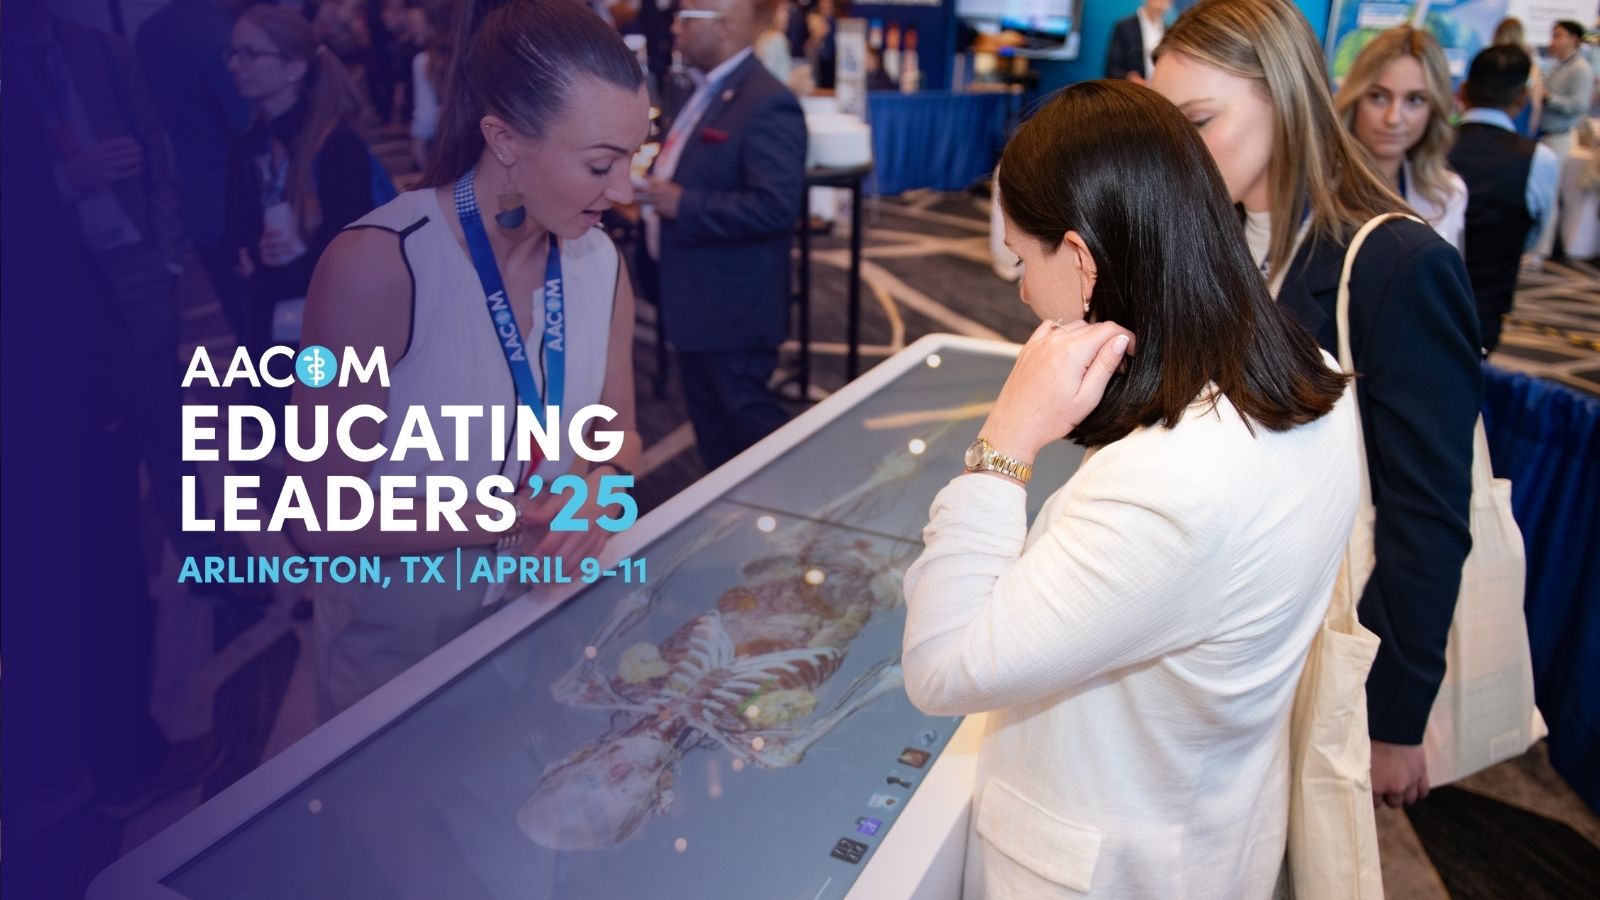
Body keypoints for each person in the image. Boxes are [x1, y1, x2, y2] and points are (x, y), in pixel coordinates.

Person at [902, 79, 1360, 899]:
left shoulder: (1170, 484)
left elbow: (942, 665)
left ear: (1081, 260)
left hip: (1110, 866)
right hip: (1212, 823)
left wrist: (1003, 441)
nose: (1018, 290)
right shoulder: (1310, 370)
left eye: (1021, 259)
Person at [1153, 0, 1482, 809]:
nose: (1178, 152)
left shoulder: (1395, 264)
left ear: (1285, 98)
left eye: (1198, 119)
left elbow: (1427, 513)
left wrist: (1392, 721)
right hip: (1231, 646)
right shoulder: (1218, 236)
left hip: (1329, 640)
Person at [294, 0, 648, 717]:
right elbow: (320, 513)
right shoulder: (375, 267)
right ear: (505, 139)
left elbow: (622, 437)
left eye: (633, 159)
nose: (626, 191)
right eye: (602, 164)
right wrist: (513, 513)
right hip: (396, 638)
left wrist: (598, 494)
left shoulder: (601, 262)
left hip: (545, 613)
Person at [641, 0, 806, 469]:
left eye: (687, 17)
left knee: (750, 429)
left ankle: (801, 524)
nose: (674, 27)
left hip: (732, 307)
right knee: (713, 430)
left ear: (727, 24)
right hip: (695, 297)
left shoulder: (766, 100)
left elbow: (776, 206)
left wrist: (681, 203)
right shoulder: (706, 88)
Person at [222, 5, 382, 370]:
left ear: (294, 66)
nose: (234, 64)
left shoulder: (337, 144)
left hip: (336, 324)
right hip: (272, 325)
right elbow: (235, 238)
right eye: (232, 52)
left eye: (250, 53)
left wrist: (265, 274)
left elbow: (348, 249)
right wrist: (254, 255)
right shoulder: (247, 148)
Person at [135, 0, 253, 331]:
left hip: (190, 196)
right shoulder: (220, 31)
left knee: (236, 314)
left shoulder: (148, 34)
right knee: (264, 319)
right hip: (237, 195)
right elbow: (245, 123)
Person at [1449, 45, 1560, 354]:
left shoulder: (1429, 147)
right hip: (1485, 309)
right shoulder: (1539, 160)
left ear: (1463, 90)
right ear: (1522, 98)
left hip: (1412, 298)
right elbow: (1535, 233)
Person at [1335, 26, 1468, 250]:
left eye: (1415, 100)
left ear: (1433, 110)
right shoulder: (1309, 185)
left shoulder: (1446, 195)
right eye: (1378, 96)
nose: (1393, 118)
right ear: (1355, 98)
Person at [1533, 20, 1595, 258]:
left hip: (1560, 138)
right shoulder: (1560, 66)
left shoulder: (1581, 69)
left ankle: (1541, 250)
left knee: (1549, 195)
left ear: (1573, 39)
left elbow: (1579, 105)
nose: (1553, 41)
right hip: (1547, 136)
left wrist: (1550, 98)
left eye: (1558, 35)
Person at [1492, 16, 1544, 136]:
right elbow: (1536, 104)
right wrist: (1531, 132)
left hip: (1490, 122)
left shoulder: (1489, 61)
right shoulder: (1529, 65)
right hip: (1519, 123)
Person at [1105, 0, 1171, 84]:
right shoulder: (1124, 27)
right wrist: (1129, 78)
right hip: (1132, 92)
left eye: (1169, 1)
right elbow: (1112, 70)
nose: (1163, 5)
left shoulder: (1168, 32)